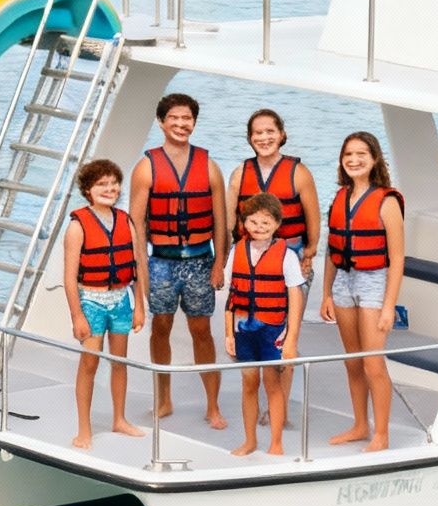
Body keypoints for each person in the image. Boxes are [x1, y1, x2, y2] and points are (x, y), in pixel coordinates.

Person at [130, 93, 230, 430]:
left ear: (194, 123)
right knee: (161, 327)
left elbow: (221, 223)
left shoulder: (209, 166)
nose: (181, 124)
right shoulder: (146, 168)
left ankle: (213, 405)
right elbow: (136, 226)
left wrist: (219, 265)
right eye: (174, 118)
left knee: (202, 330)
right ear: (161, 121)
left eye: (187, 118)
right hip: (162, 262)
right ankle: (164, 397)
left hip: (201, 261)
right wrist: (141, 274)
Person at [320, 131, 405, 453]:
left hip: (373, 282)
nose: (354, 160)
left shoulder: (387, 201)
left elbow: (397, 258)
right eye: (348, 155)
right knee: (353, 363)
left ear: (374, 159)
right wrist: (327, 293)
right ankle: (359, 424)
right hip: (343, 281)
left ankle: (381, 434)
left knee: (372, 364)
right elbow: (332, 250)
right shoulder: (340, 198)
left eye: (361, 155)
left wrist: (388, 306)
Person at [60, 160, 147, 450]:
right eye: (101, 184)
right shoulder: (77, 227)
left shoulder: (125, 221)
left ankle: (119, 419)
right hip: (91, 302)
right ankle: (84, 429)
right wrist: (77, 316)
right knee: (89, 363)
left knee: (119, 362)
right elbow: (70, 278)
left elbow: (135, 268)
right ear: (88, 190)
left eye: (113, 183)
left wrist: (139, 307)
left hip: (121, 299)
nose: (109, 189)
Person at [223, 193, 304, 457]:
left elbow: (295, 296)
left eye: (266, 222)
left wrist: (291, 339)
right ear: (244, 223)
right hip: (244, 331)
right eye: (253, 221)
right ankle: (250, 440)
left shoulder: (287, 256)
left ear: (277, 224)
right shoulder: (237, 252)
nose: (259, 227)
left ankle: (276, 443)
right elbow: (231, 296)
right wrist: (229, 334)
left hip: (272, 331)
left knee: (272, 383)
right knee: (248, 385)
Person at [232, 109, 322, 284]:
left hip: (292, 249)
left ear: (282, 135)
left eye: (270, 131)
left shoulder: (299, 173)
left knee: (289, 309)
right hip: (251, 250)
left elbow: (313, 218)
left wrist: (310, 252)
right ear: (250, 138)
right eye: (258, 133)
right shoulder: (240, 173)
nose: (264, 138)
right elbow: (229, 220)